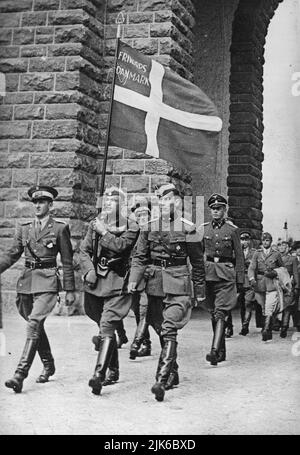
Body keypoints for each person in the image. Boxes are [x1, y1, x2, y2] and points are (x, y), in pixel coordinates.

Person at [128, 183, 205, 402]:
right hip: (154, 285)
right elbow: (140, 256)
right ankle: (173, 372)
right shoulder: (149, 227)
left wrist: (198, 291)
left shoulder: (189, 229)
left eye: (167, 200)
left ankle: (161, 380)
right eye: (160, 200)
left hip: (179, 282)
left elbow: (198, 264)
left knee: (169, 328)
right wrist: (134, 279)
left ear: (178, 202)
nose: (162, 204)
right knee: (160, 328)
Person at [0, 186, 75, 393]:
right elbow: (12, 254)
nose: (38, 206)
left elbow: (68, 262)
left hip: (48, 282)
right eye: (35, 202)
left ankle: (20, 374)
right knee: (35, 325)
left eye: (42, 202)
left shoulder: (59, 229)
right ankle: (49, 364)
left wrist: (70, 290)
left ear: (50, 205)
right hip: (27, 282)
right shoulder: (24, 228)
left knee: (34, 323)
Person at [80, 187, 139, 395]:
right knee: (103, 324)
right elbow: (84, 251)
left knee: (106, 326)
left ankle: (99, 375)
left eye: (112, 201)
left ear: (122, 206)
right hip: (96, 282)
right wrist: (88, 270)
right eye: (105, 200)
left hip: (118, 282)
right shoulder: (95, 223)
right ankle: (113, 370)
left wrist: (103, 232)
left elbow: (121, 246)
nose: (107, 203)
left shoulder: (131, 226)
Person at [202, 193, 244, 365]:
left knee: (220, 312)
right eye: (213, 209)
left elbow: (239, 257)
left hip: (226, 273)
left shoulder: (232, 230)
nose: (216, 212)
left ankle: (213, 351)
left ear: (225, 210)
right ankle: (221, 351)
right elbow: (198, 254)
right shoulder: (203, 229)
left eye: (219, 209)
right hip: (209, 273)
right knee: (214, 313)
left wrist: (240, 280)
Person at [248, 232, 284, 341]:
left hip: (272, 283)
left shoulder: (276, 254)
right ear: (261, 241)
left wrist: (276, 273)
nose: (265, 242)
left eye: (267, 240)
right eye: (263, 240)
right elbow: (252, 268)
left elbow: (282, 269)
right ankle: (267, 328)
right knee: (263, 307)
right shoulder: (257, 253)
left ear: (270, 241)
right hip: (259, 284)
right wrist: (251, 279)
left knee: (269, 306)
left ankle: (267, 329)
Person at [128, 198, 152, 360]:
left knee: (145, 310)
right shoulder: (131, 233)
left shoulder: (153, 231)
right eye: (139, 216)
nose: (142, 218)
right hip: (134, 278)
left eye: (145, 215)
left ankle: (137, 343)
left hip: (149, 278)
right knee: (136, 309)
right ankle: (146, 342)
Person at [277, 239, 299, 337]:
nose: (281, 248)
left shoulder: (293, 259)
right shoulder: (274, 258)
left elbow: (295, 273)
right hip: (276, 285)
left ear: (288, 248)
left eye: (284, 246)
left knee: (287, 307)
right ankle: (272, 325)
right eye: (280, 246)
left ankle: (284, 327)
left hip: (288, 286)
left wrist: (297, 286)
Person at [238, 231, 257, 336]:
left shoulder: (254, 252)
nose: (244, 242)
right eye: (242, 239)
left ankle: (245, 326)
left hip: (249, 281)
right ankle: (243, 325)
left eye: (246, 239)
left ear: (249, 241)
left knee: (248, 303)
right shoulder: (235, 252)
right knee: (241, 305)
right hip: (239, 282)